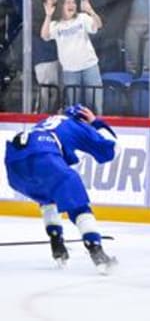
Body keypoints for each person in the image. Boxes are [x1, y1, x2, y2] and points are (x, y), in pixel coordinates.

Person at [4, 104, 118, 273]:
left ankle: (57, 243)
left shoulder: (44, 123)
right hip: (44, 157)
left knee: (48, 196)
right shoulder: (77, 124)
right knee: (78, 205)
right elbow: (111, 150)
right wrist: (96, 122)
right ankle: (96, 250)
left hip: (14, 167)